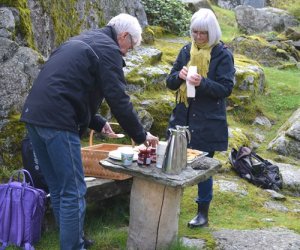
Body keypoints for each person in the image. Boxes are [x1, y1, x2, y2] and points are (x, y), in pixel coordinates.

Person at [20, 13, 159, 249]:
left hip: (34, 117)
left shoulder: (83, 40)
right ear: (123, 35)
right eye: (131, 46)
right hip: (57, 123)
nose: (128, 52)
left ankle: (75, 239)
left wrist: (96, 122)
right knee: (73, 192)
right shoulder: (108, 50)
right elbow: (119, 100)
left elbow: (69, 86)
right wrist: (141, 136)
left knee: (59, 188)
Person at [166, 8, 235, 228]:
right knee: (172, 161)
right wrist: (179, 76)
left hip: (207, 121)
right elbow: (169, 82)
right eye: (194, 32)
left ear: (212, 32)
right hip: (182, 116)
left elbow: (226, 88)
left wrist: (201, 83)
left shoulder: (223, 54)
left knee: (203, 168)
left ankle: (202, 213)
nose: (197, 37)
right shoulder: (186, 50)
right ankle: (167, 207)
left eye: (202, 33)